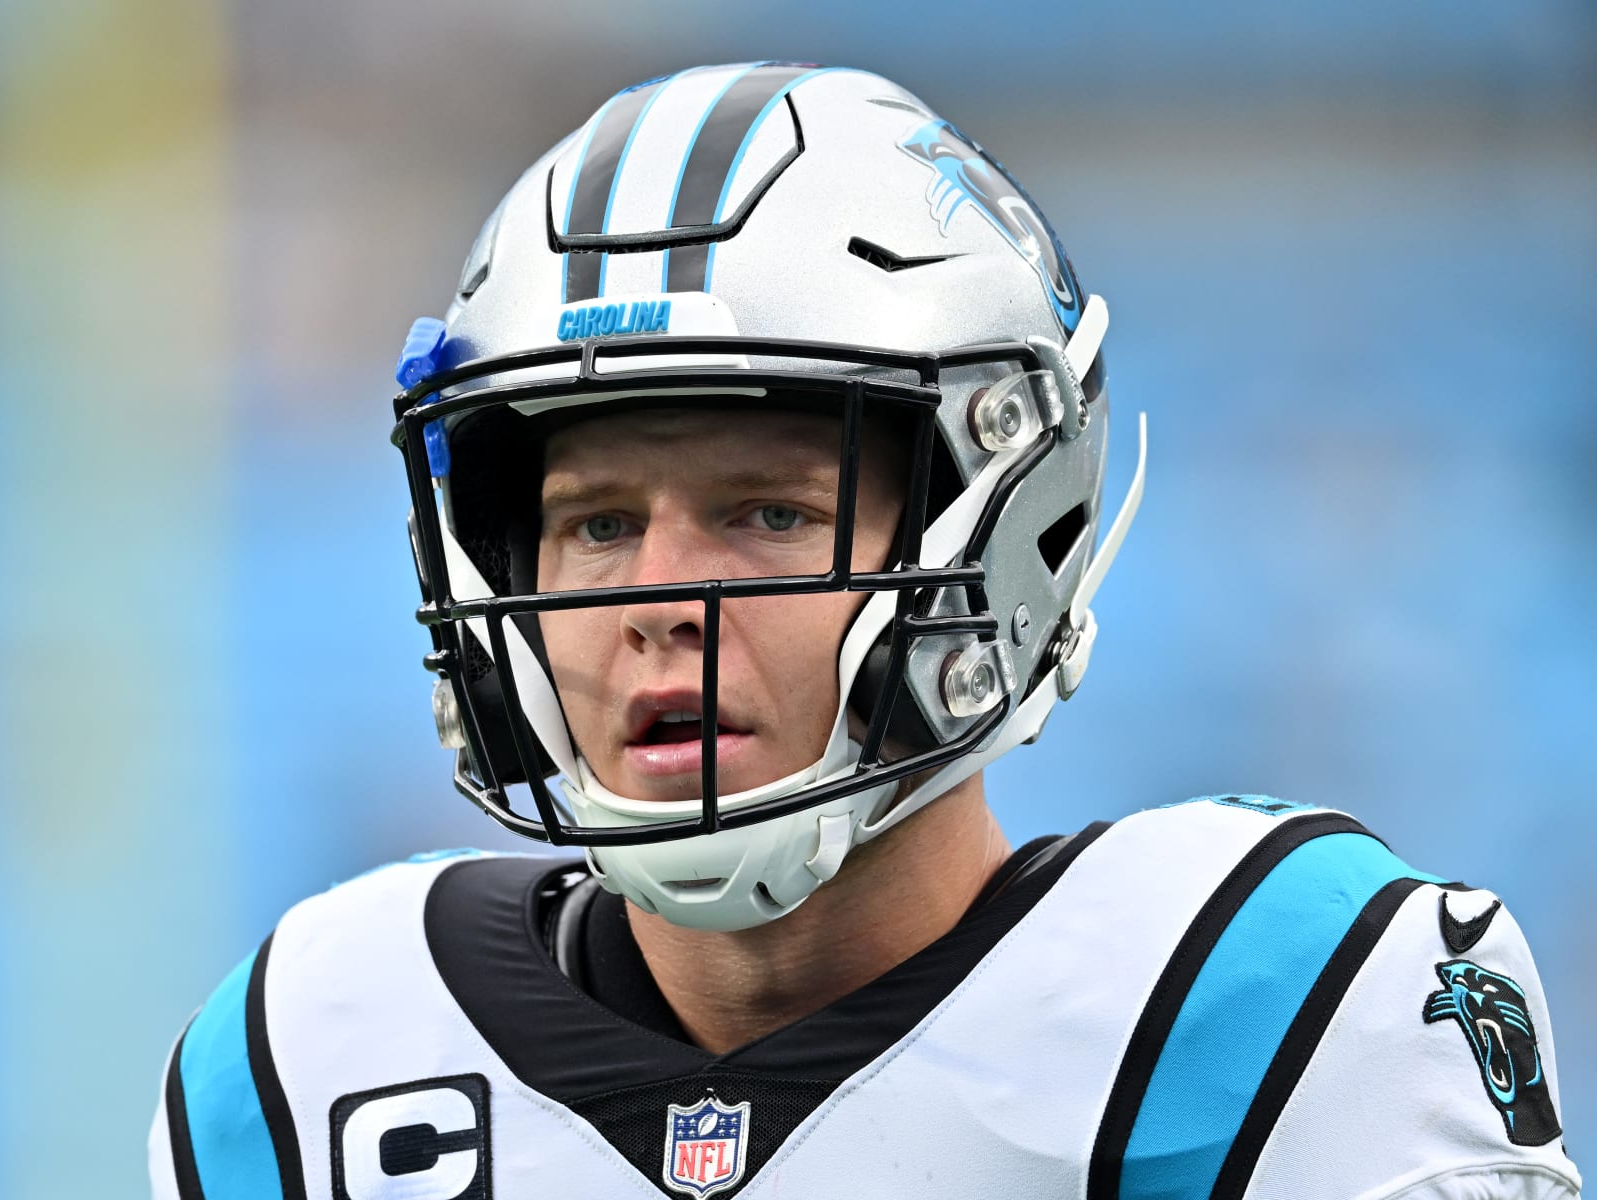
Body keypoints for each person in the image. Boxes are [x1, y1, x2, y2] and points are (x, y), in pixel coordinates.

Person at [149, 63, 1580, 1200]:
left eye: (768, 513)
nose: (656, 599)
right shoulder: (310, 1064)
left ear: (1004, 528)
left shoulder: (1271, 1006)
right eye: (595, 523)